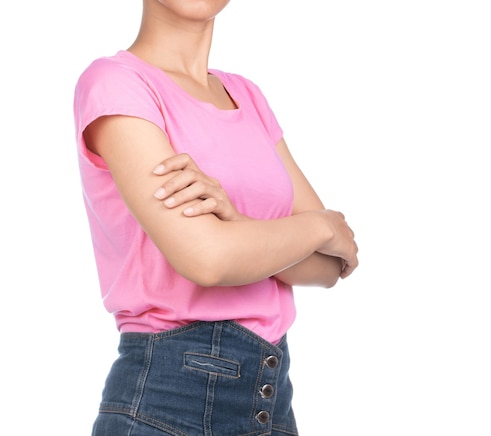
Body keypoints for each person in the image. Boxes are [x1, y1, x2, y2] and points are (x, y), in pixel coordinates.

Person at [73, 1, 359, 435]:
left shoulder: (246, 95)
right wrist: (322, 225)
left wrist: (237, 224)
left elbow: (328, 267)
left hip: (272, 403)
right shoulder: (116, 84)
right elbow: (208, 260)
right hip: (168, 405)